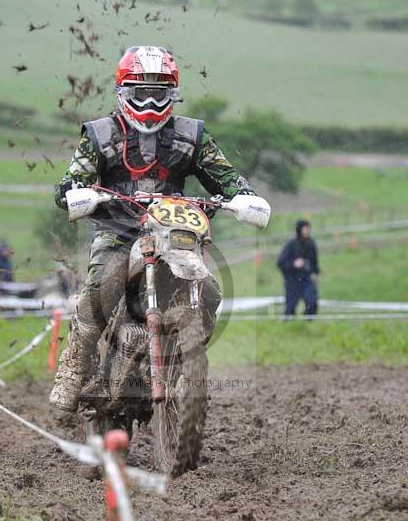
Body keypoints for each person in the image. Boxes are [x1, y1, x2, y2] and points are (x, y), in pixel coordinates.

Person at [50, 44, 260, 416]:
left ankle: (181, 360)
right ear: (123, 92)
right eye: (141, 92)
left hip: (173, 233)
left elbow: (223, 176)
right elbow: (72, 180)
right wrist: (75, 193)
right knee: (103, 286)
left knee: (208, 289)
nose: (149, 101)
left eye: (158, 93)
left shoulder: (192, 135)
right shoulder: (99, 134)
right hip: (119, 231)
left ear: (172, 94)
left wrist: (241, 195)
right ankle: (72, 371)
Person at [277, 219, 320, 317]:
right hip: (292, 280)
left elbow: (314, 261)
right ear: (299, 230)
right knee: (290, 307)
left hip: (306, 279)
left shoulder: (311, 244)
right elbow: (280, 262)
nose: (307, 231)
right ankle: (290, 326)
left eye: (308, 229)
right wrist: (293, 264)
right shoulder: (291, 245)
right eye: (305, 229)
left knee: (312, 301)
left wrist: (316, 273)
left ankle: (307, 323)